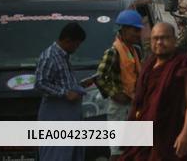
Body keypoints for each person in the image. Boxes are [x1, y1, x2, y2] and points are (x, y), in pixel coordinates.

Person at [120, 22, 187, 160]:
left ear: (174, 40)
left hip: (173, 130)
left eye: (164, 38)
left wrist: (185, 133)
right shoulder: (148, 66)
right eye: (155, 38)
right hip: (150, 132)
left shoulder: (185, 65)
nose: (159, 42)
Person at [35, 22, 88, 161]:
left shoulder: (64, 56)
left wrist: (79, 86)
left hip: (69, 116)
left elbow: (63, 81)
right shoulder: (49, 57)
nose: (76, 48)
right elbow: (40, 83)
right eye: (76, 45)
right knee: (55, 154)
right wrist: (65, 93)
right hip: (55, 117)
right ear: (67, 40)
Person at [96, 10, 144, 160]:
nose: (138, 34)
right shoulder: (113, 52)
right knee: (117, 153)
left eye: (139, 30)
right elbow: (100, 76)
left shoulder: (134, 50)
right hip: (119, 108)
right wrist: (115, 94)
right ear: (123, 30)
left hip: (132, 104)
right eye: (135, 30)